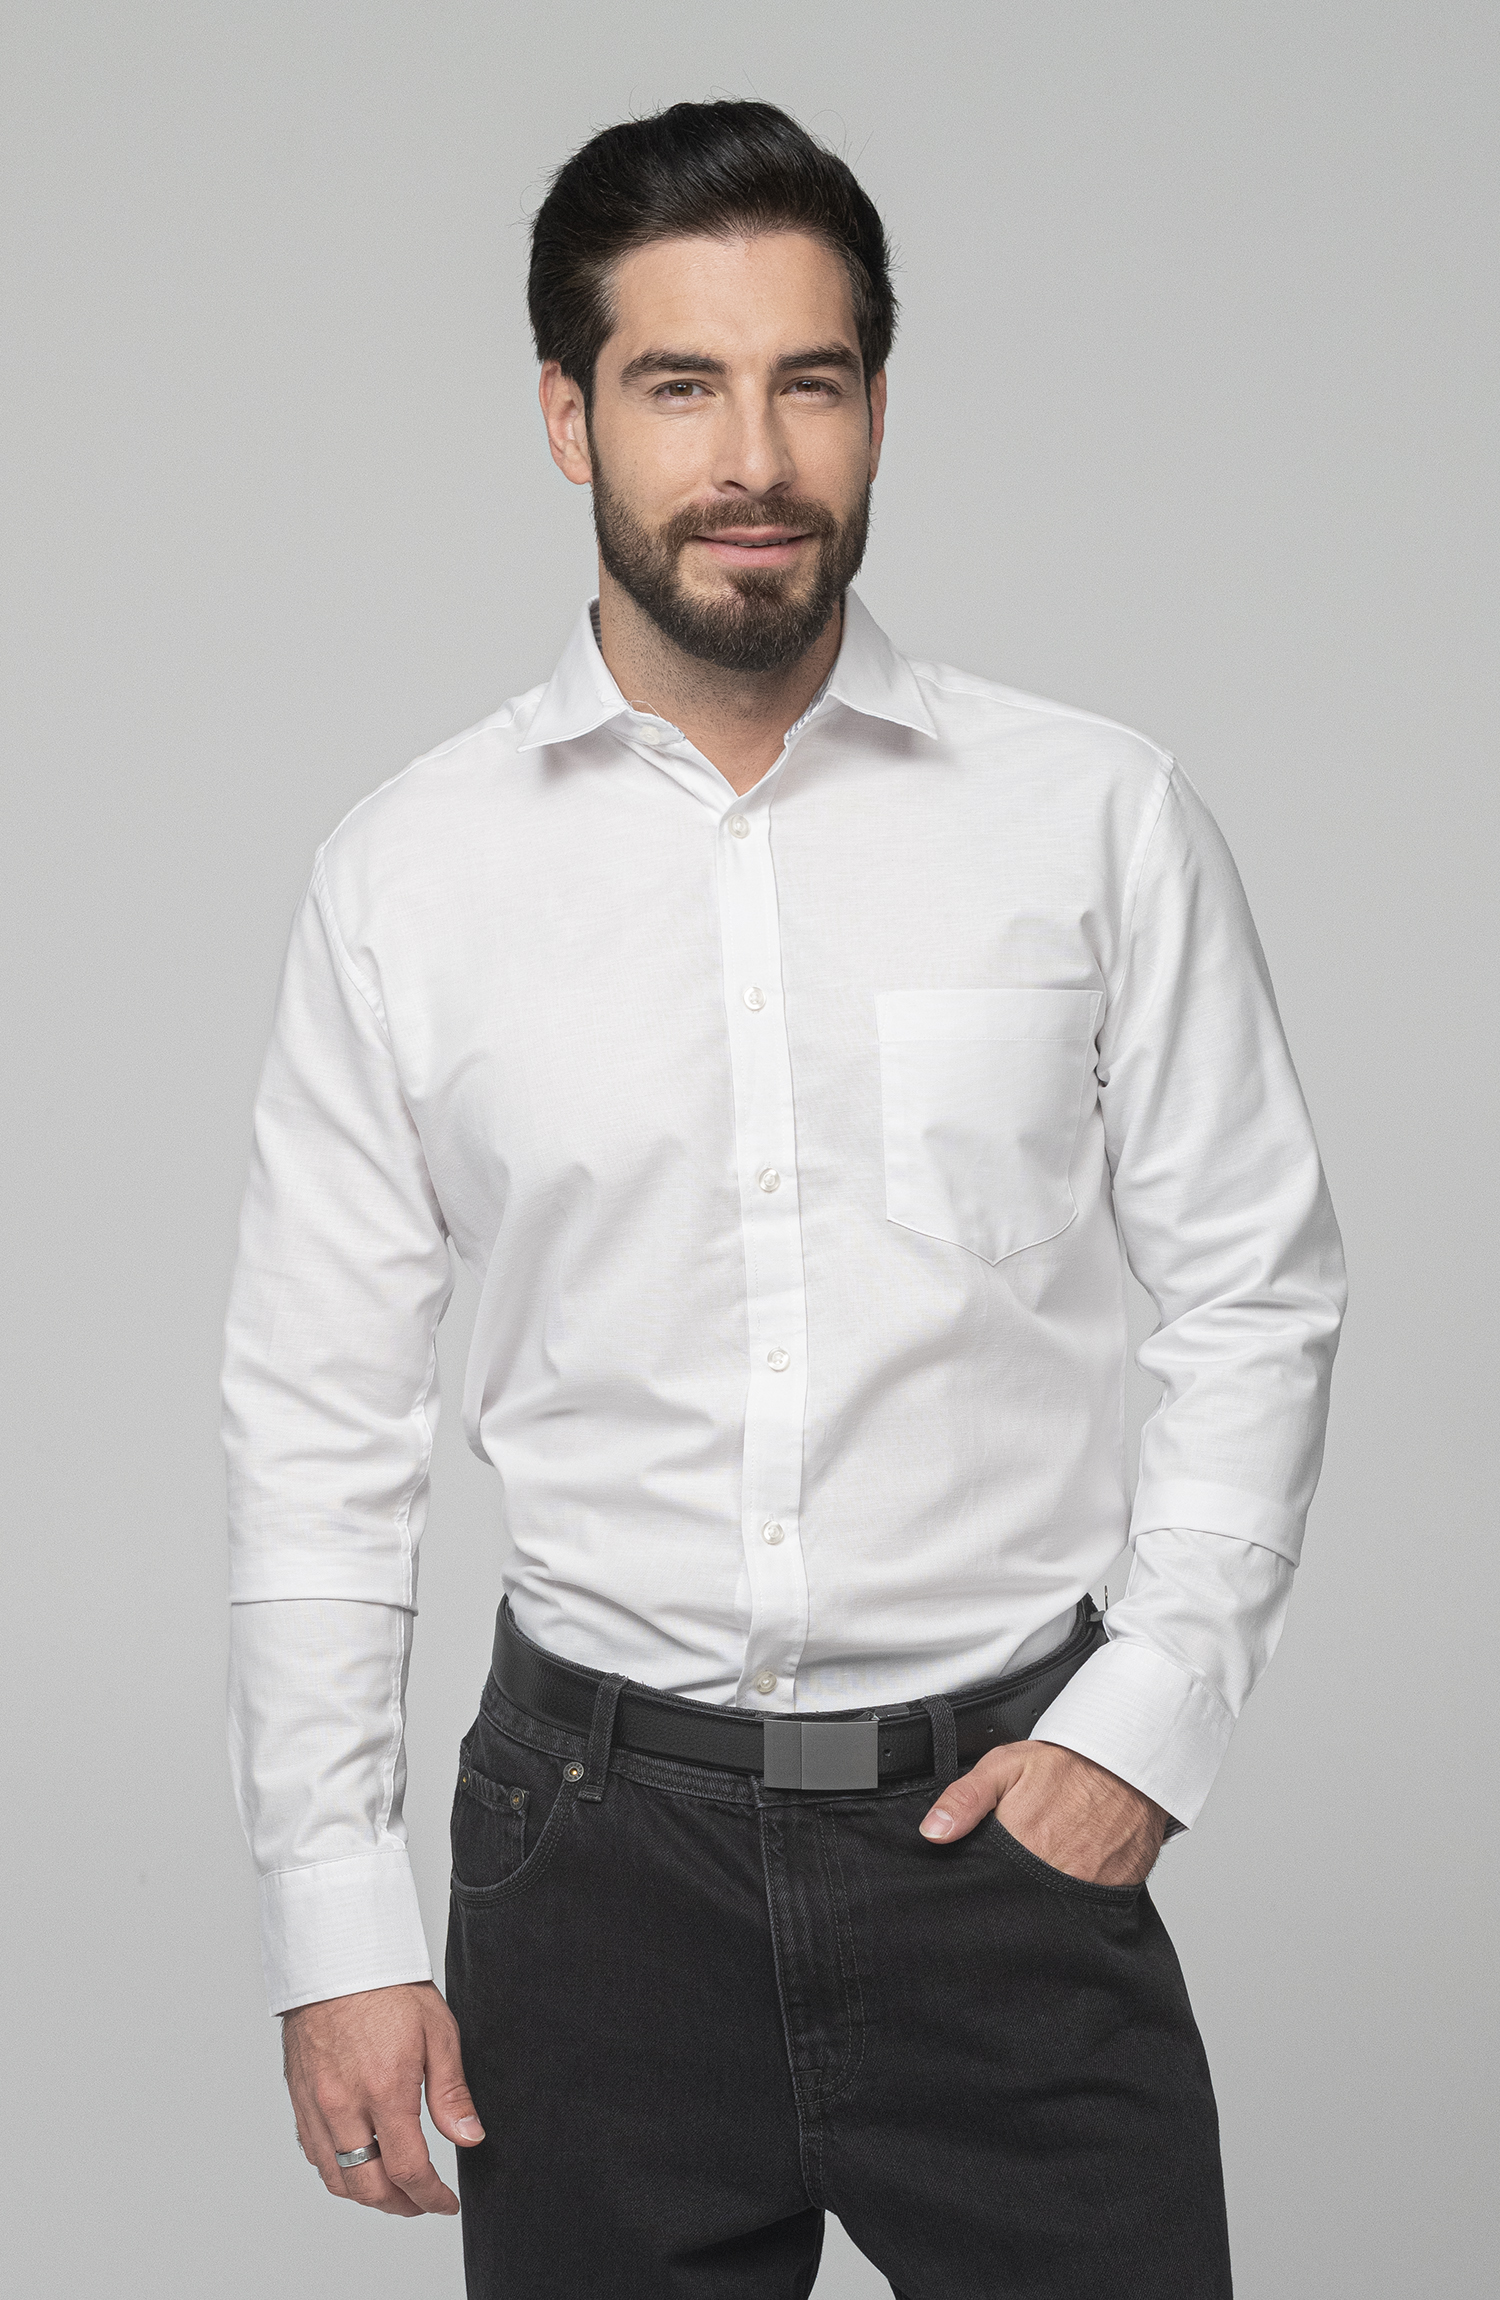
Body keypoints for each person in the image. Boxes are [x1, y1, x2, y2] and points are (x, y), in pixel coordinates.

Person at [223, 99, 1345, 2299]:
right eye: (679, 385)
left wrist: (1150, 1716)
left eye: (807, 382)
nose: (753, 458)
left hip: (1002, 1839)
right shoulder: (407, 879)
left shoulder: (1095, 819)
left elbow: (1257, 1291)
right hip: (589, 1869)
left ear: (878, 409)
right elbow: (317, 1424)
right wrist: (331, 1917)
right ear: (569, 417)